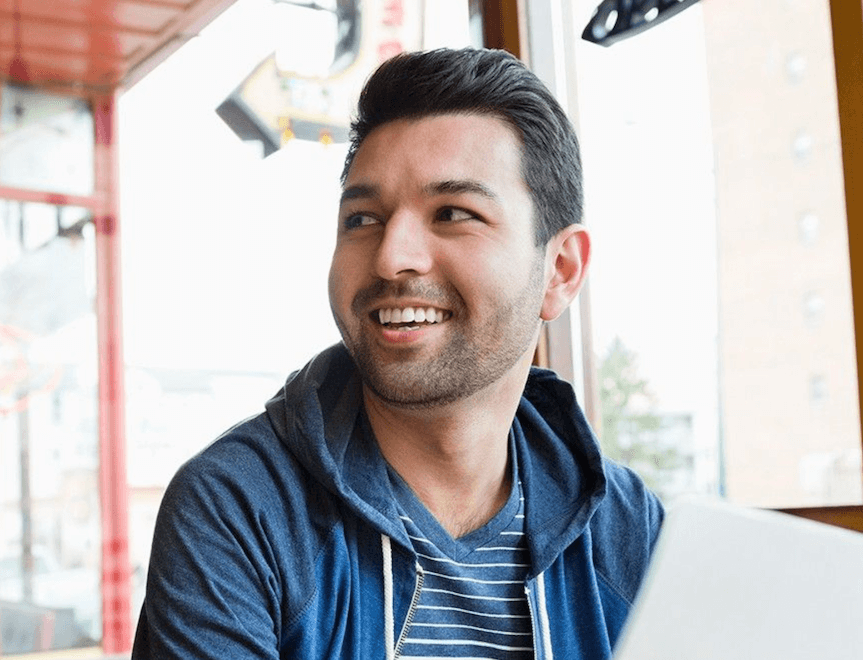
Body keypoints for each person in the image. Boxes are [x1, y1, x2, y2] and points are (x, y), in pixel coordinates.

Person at [132, 47, 663, 659]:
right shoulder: (239, 508)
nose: (391, 257)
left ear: (560, 271)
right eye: (363, 219)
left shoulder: (625, 528)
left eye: (454, 214)